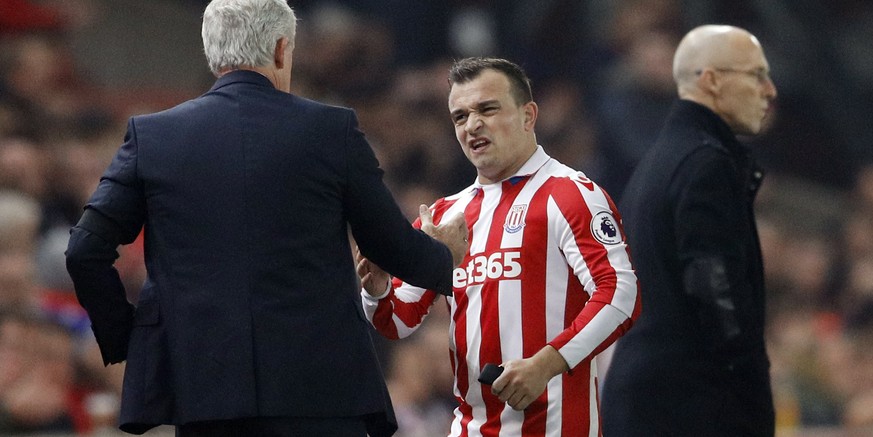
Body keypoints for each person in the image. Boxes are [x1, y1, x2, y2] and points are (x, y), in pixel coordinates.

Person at [64, 0, 468, 436]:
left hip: (203, 393)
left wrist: (131, 339)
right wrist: (443, 255)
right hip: (321, 394)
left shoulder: (154, 136)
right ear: (280, 50)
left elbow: (85, 251)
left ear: (212, 53)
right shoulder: (330, 130)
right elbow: (391, 247)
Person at [357, 57, 640, 436]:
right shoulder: (446, 214)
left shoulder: (571, 194)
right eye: (460, 116)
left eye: (487, 109)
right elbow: (397, 321)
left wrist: (545, 364)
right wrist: (376, 289)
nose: (472, 125)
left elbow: (621, 294)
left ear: (528, 115)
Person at [600, 24, 778, 436]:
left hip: (645, 400)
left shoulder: (662, 161)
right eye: (756, 75)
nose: (769, 90)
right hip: (686, 408)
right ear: (712, 81)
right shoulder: (705, 164)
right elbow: (716, 290)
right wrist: (750, 391)